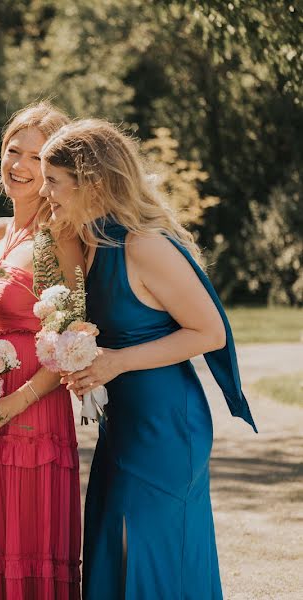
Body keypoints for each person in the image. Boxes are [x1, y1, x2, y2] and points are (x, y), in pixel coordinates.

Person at [40, 118, 256, 599]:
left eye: (53, 181)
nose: (45, 191)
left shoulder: (144, 244)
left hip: (165, 423)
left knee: (156, 553)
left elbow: (210, 331)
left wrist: (116, 362)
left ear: (90, 182)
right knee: (112, 545)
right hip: (123, 424)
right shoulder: (92, 243)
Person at [0, 102, 83, 599]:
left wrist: (11, 406)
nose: (21, 165)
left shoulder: (62, 237)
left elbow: (71, 343)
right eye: (14, 151)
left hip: (32, 412)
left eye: (37, 156)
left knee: (27, 542)